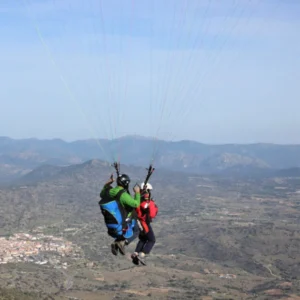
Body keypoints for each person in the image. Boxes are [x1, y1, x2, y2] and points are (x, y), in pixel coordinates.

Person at [99, 173, 140, 256]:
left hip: (115, 220)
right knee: (137, 230)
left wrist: (108, 183)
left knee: (124, 229)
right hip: (124, 220)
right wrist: (137, 193)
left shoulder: (110, 191)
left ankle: (118, 242)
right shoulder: (123, 195)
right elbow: (136, 204)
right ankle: (123, 242)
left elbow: (102, 194)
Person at [131, 182, 157, 265]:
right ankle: (142, 254)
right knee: (151, 240)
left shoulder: (137, 200)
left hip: (138, 223)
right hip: (144, 223)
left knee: (143, 239)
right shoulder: (147, 203)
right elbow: (152, 214)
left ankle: (136, 253)